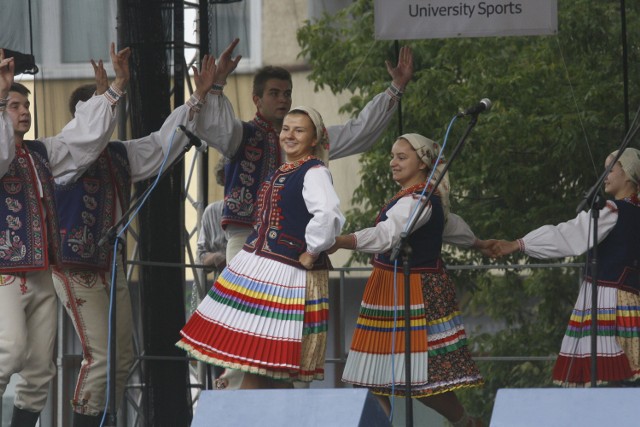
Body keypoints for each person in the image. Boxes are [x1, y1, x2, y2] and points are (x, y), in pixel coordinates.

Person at [50, 49, 219, 426]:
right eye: (99, 111)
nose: (106, 120)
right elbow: (84, 140)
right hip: (74, 267)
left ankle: (105, 419)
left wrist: (199, 97)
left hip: (110, 267)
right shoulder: (62, 153)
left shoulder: (121, 154)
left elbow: (164, 142)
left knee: (123, 358)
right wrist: (112, 89)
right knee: (103, 357)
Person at [193, 38, 413, 263]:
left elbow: (357, 133)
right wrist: (217, 83)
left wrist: (395, 89)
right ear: (256, 100)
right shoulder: (241, 134)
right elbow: (214, 127)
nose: (283, 99)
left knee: (295, 298)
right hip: (246, 238)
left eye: (287, 93)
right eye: (274, 93)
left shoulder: (310, 138)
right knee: (246, 299)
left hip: (294, 240)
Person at [0, 45, 128, 427]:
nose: (23, 111)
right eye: (14, 105)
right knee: (9, 349)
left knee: (40, 369)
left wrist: (117, 88)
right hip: (4, 271)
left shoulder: (41, 152)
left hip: (41, 270)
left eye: (25, 105)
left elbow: (83, 139)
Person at [177, 106, 345, 389]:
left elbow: (329, 215)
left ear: (314, 139)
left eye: (299, 130)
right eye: (286, 129)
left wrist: (313, 250)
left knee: (257, 362)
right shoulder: (284, 170)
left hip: (283, 273)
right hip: (261, 267)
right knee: (263, 365)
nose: (290, 135)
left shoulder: (314, 171)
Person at [329, 134, 486, 427]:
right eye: (393, 156)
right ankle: (464, 422)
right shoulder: (420, 198)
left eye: (402, 157)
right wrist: (479, 243)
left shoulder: (419, 200)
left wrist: (342, 241)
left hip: (412, 290)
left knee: (418, 377)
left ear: (424, 162)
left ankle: (466, 422)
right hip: (392, 288)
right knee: (372, 376)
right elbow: (451, 226)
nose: (393, 162)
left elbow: (387, 235)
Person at [490, 147, 640, 387]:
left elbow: (569, 236)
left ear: (629, 174)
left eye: (611, 169)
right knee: (626, 376)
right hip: (630, 301)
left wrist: (519, 244)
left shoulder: (612, 211)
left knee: (603, 378)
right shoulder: (635, 211)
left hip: (606, 300)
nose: (605, 176)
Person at [196, 157, 228, 272]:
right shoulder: (212, 211)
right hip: (223, 284)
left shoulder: (262, 209)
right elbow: (201, 258)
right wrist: (216, 257)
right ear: (223, 178)